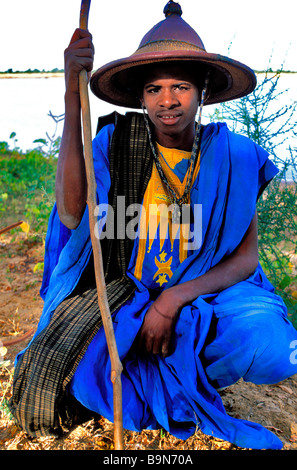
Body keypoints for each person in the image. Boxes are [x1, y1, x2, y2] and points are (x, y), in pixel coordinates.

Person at [9, 1, 297, 449]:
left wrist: (176, 298)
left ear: (202, 90)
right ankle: (154, 376)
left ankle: (195, 373)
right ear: (141, 97)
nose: (167, 100)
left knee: (269, 347)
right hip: (129, 293)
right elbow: (71, 213)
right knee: (66, 379)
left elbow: (246, 259)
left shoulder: (234, 156)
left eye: (180, 86)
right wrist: (72, 94)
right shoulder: (113, 144)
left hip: (211, 294)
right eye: (154, 89)